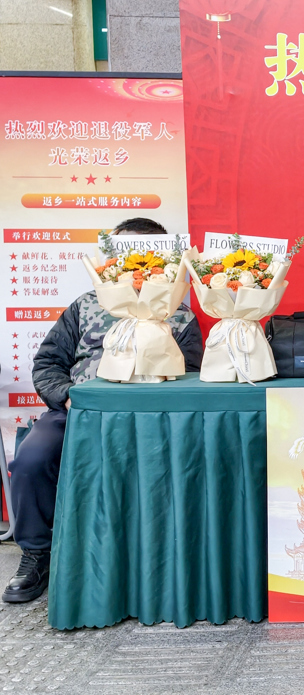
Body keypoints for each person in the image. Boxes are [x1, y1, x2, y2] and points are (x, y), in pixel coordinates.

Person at [6, 217, 202, 604]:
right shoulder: (85, 305)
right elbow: (47, 363)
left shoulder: (180, 316)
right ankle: (36, 554)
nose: (134, 263)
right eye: (124, 253)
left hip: (151, 421)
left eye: (145, 254)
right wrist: (67, 398)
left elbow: (191, 377)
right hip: (76, 413)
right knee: (31, 459)